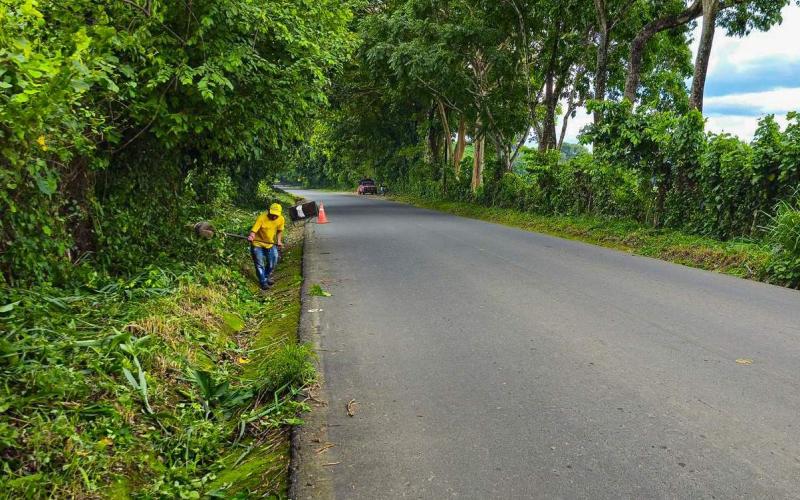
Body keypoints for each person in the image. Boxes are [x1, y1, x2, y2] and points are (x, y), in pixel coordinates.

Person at [248, 203, 285, 291]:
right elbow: (253, 231)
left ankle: (266, 277)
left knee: (273, 261)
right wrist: (251, 236)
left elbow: (280, 230)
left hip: (270, 243)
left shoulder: (281, 219)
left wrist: (279, 241)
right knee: (259, 264)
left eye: (276, 215)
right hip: (257, 244)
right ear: (268, 211)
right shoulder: (262, 218)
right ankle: (263, 282)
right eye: (272, 214)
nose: (274, 216)